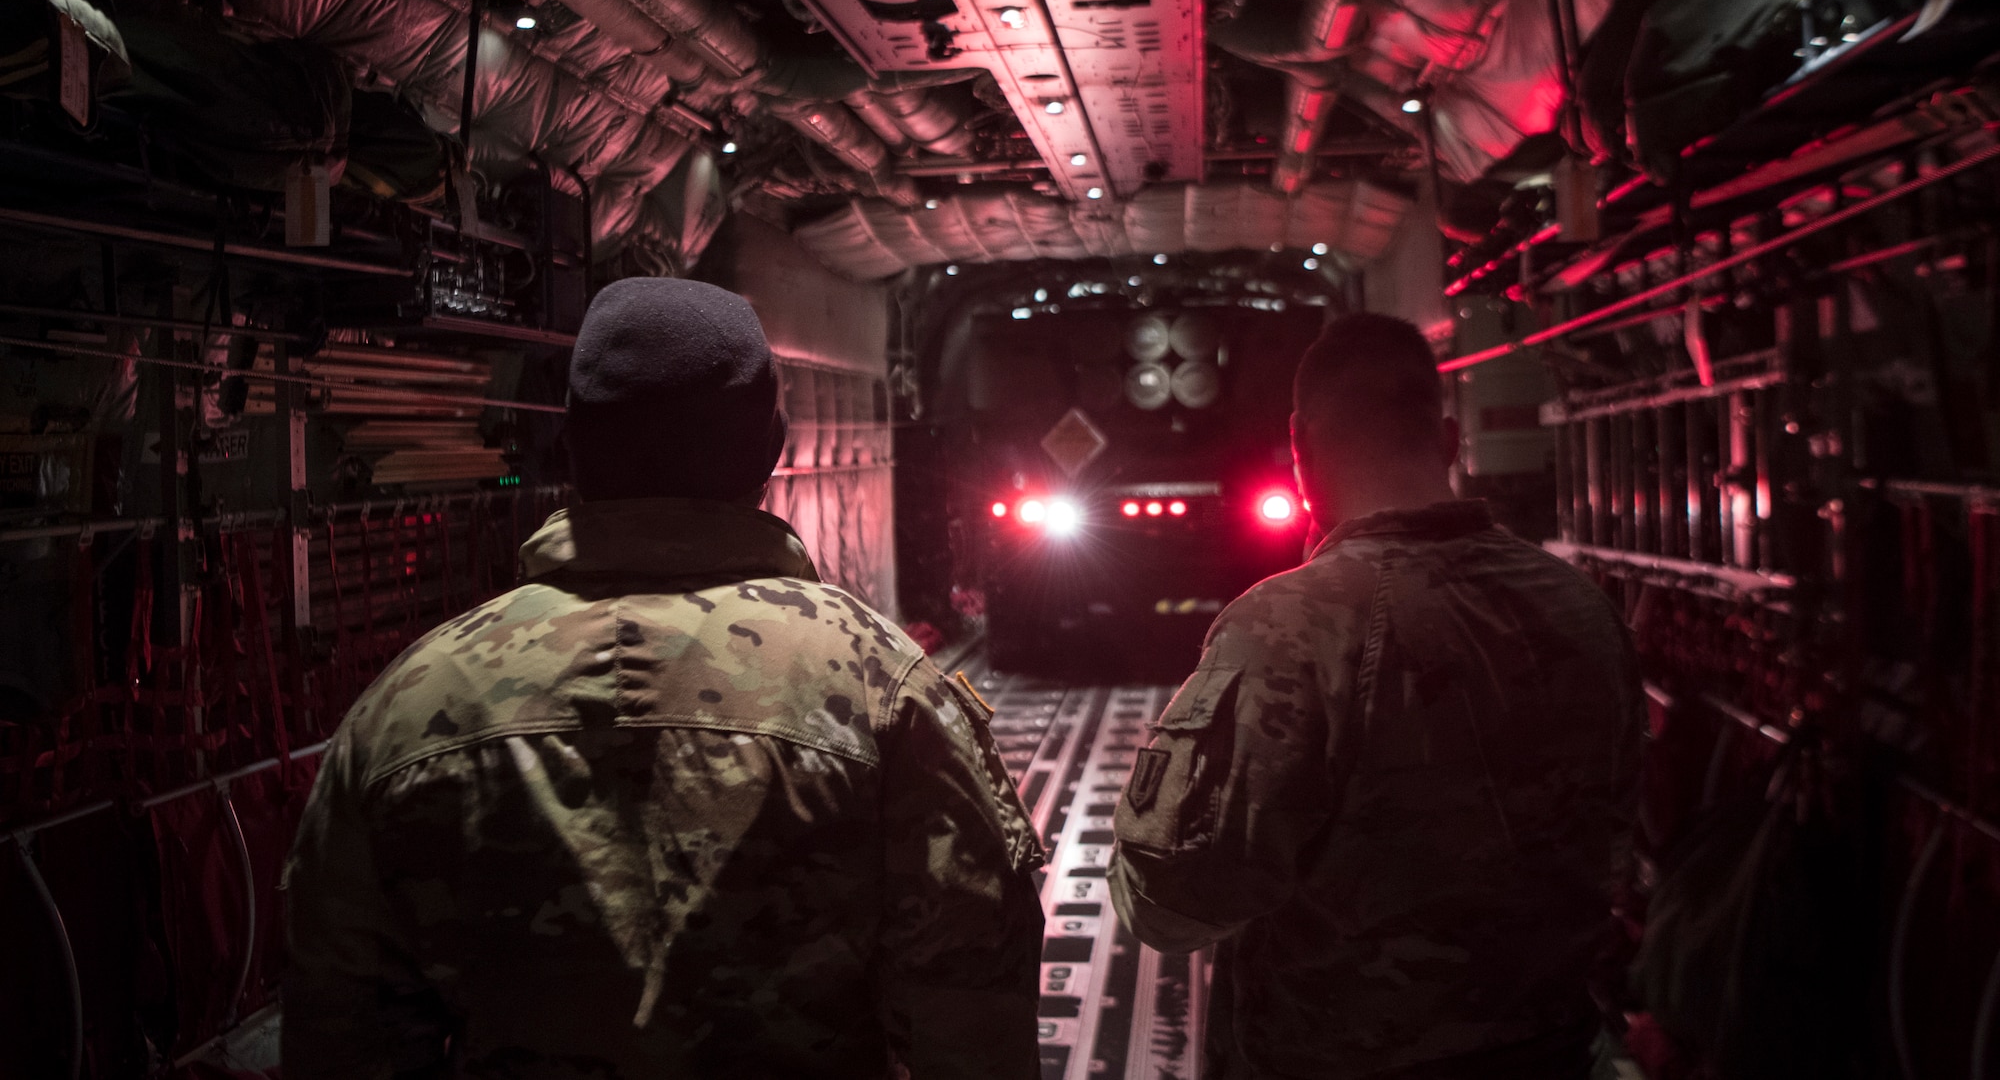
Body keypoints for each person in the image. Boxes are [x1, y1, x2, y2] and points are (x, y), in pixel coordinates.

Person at [283, 277, 1045, 1080]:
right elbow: (973, 1017)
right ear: (772, 451)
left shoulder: (409, 705)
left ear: (570, 448)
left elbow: (339, 1033)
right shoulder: (883, 690)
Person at [1111, 311, 1642, 1080]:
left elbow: (1169, 900)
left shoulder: (1292, 624)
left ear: (1299, 449)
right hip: (1553, 1054)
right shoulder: (1583, 608)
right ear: (1450, 439)